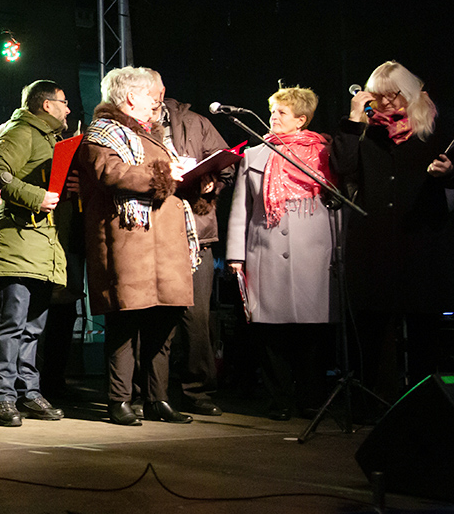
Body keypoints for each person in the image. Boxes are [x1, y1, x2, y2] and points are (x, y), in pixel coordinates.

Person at [76, 66, 196, 427]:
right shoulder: (102, 133)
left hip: (164, 242)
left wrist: (195, 179)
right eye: (151, 96)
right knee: (124, 323)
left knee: (163, 323)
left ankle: (158, 398)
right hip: (127, 240)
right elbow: (111, 173)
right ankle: (120, 399)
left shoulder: (153, 135)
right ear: (131, 97)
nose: (158, 103)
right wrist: (164, 174)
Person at [331, 61, 454, 405]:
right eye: (378, 96)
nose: (384, 103)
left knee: (423, 327)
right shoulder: (365, 130)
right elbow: (341, 167)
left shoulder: (433, 126)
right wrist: (355, 117)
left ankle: (424, 404)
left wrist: (449, 172)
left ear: (409, 93)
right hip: (375, 241)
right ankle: (376, 401)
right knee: (374, 325)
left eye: (392, 95)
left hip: (422, 238)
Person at [226, 87, 336, 420]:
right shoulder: (254, 155)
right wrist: (235, 255)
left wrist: (340, 250)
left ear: (301, 120)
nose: (273, 117)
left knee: (312, 334)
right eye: (272, 111)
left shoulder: (324, 154)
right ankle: (280, 400)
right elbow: (240, 210)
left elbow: (337, 208)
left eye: (282, 112)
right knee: (271, 334)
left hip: (314, 254)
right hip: (267, 250)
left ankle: (310, 398)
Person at [0, 80, 72, 427]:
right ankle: (2, 398)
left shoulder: (48, 139)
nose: (67, 109)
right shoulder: (21, 131)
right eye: (63, 102)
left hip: (41, 243)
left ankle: (28, 392)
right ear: (47, 105)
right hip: (18, 240)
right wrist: (36, 197)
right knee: (12, 324)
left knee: (33, 327)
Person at [157, 86, 234, 416]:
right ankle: (154, 392)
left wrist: (211, 181)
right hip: (155, 232)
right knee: (159, 315)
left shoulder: (196, 122)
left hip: (197, 233)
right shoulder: (134, 124)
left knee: (197, 316)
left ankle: (198, 390)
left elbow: (225, 165)